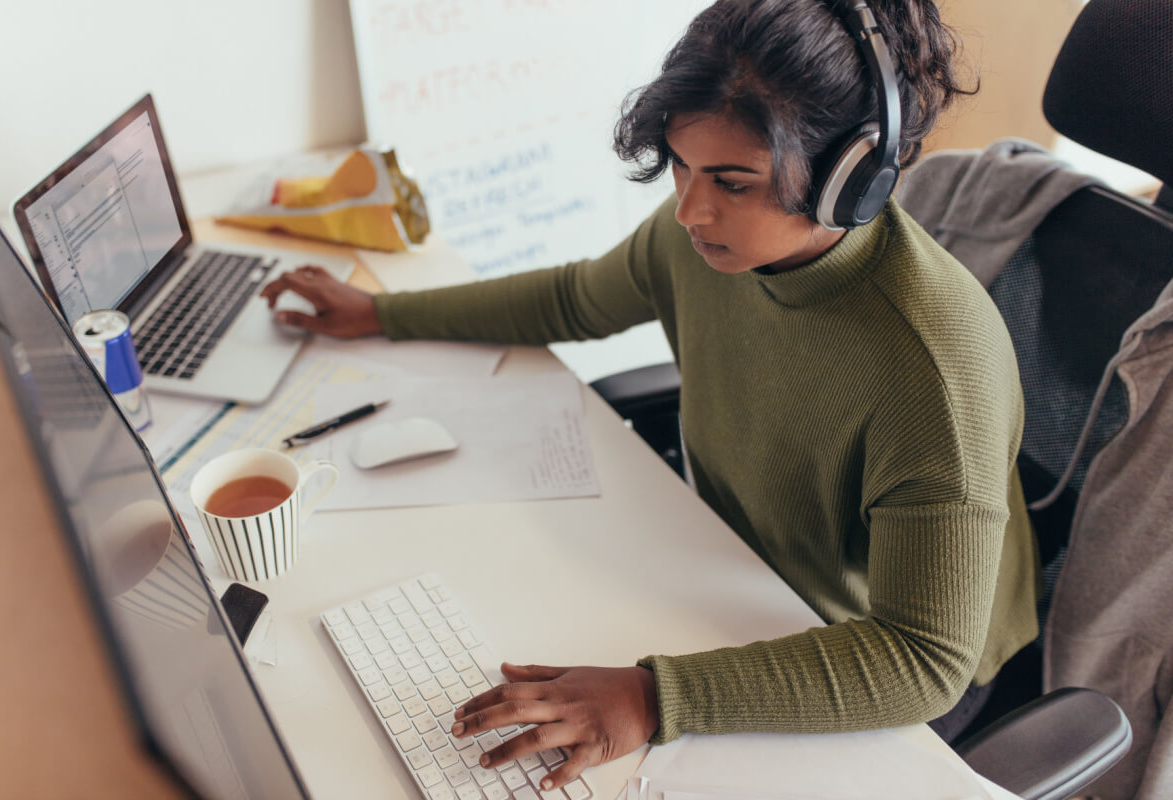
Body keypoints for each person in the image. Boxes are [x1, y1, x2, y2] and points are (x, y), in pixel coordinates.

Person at [261, 0, 1039, 791]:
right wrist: (383, 313)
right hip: (733, 571)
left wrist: (654, 695)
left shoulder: (935, 370)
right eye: (681, 165)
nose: (690, 211)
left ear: (852, 179)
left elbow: (924, 658)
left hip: (871, 661)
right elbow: (572, 300)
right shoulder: (701, 241)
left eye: (732, 183)